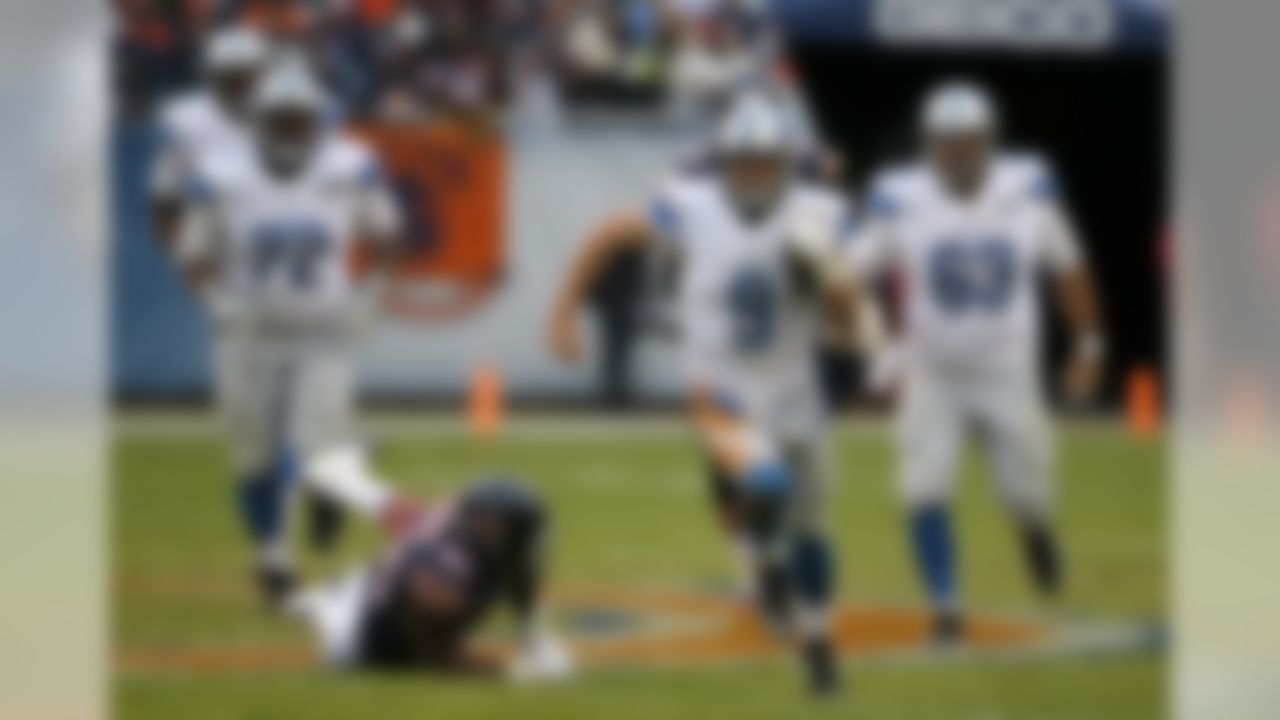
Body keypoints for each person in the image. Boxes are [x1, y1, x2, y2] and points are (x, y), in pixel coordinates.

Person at [547, 91, 854, 697]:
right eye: (742, 161)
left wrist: (833, 285)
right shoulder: (691, 206)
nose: (754, 173)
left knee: (813, 533)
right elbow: (609, 233)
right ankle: (766, 567)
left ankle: (817, 643)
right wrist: (564, 311)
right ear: (722, 162)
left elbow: (847, 314)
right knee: (766, 485)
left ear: (787, 162)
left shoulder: (819, 212)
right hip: (720, 387)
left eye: (765, 161)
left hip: (795, 388)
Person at [845, 80, 1105, 643]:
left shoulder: (1028, 187)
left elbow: (1069, 266)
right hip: (932, 370)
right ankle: (945, 610)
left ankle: (1035, 531)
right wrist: (866, 336)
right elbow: (851, 271)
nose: (957, 152)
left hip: (1008, 370)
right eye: (946, 142)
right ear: (928, 144)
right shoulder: (900, 194)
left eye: (968, 141)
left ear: (989, 141)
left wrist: (1087, 345)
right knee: (922, 489)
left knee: (1026, 492)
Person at [173, 56, 403, 605]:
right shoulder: (221, 173)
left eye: (300, 119)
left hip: (321, 332)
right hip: (247, 332)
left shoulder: (350, 166)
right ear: (258, 120)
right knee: (251, 454)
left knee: (313, 446)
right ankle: (271, 554)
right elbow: (193, 253)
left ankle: (328, 485)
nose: (291, 130)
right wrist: (216, 297)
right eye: (281, 119)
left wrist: (369, 292)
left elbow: (387, 235)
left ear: (319, 121)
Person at [286, 472, 574, 680]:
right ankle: (325, 607)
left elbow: (519, 569)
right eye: (520, 531)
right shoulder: (441, 588)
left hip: (379, 580)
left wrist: (533, 635)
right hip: (359, 640)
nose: (525, 542)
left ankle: (331, 596)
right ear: (491, 528)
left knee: (510, 564)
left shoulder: (465, 517)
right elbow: (437, 662)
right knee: (372, 655)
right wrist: (514, 673)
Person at [150, 25, 270, 249]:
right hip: (208, 228)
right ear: (213, 76)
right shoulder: (184, 118)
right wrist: (178, 248)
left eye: (246, 75)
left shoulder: (280, 112)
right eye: (231, 76)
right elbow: (166, 190)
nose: (240, 84)